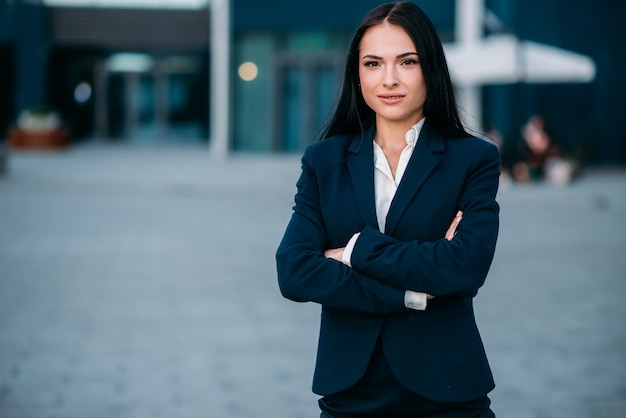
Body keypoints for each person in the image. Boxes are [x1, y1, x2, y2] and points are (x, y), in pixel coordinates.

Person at [276, 2, 500, 417]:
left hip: (448, 391)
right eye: (373, 63)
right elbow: (294, 271)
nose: (390, 79)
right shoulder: (324, 161)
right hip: (350, 392)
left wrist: (354, 253)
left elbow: (465, 266)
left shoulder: (473, 159)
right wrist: (413, 293)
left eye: (407, 61)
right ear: (356, 73)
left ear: (430, 67)